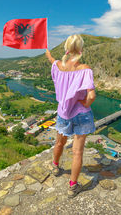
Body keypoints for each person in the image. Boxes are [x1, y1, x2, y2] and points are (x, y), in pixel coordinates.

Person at [45, 34, 96, 198]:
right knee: (77, 152)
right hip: (81, 114)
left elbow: (52, 59)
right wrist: (85, 104)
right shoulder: (85, 69)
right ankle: (72, 186)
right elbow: (91, 96)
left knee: (60, 142)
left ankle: (55, 166)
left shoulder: (58, 66)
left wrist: (46, 50)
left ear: (66, 48)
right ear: (80, 50)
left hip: (63, 113)